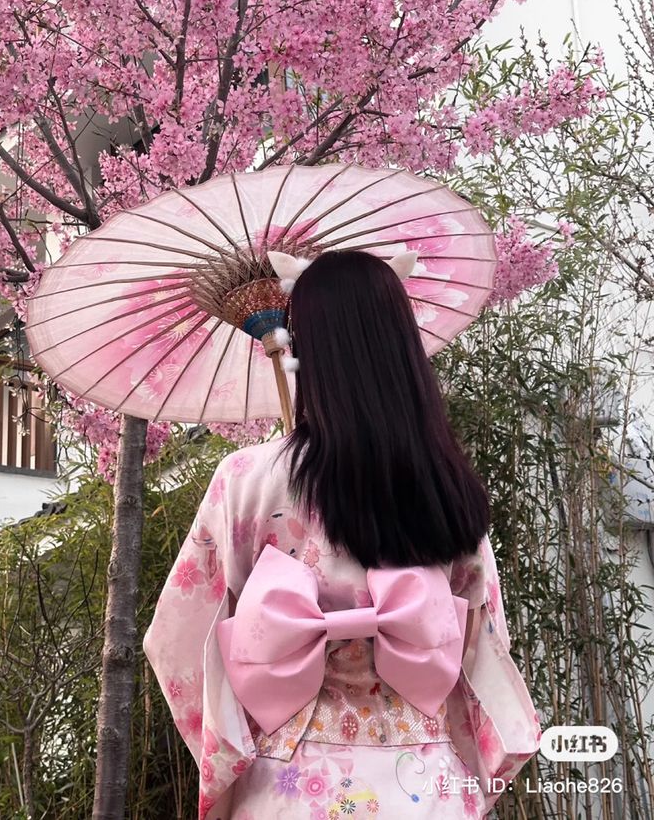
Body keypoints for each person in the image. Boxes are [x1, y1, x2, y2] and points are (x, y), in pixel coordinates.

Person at [143, 248, 542, 820]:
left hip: (291, 779)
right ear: (404, 350)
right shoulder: (447, 485)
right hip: (426, 782)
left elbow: (178, 639)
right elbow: (483, 644)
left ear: (307, 353)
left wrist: (239, 734)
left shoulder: (247, 480)